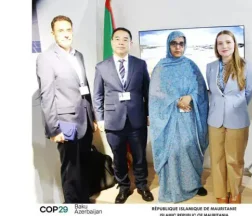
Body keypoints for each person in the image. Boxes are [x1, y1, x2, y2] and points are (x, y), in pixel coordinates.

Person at [36, 15, 97, 203]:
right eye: (60, 30)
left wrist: (92, 117)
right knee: (71, 171)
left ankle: (84, 204)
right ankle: (72, 208)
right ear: (53, 33)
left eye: (68, 30)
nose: (65, 34)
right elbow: (46, 96)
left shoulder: (78, 55)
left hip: (85, 121)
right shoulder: (46, 58)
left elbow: (84, 87)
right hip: (65, 125)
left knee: (84, 166)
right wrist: (53, 130)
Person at [93, 27, 153, 203]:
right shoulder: (102, 67)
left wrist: (148, 114)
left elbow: (146, 91)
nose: (121, 42)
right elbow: (97, 95)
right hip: (113, 121)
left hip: (137, 119)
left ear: (130, 43)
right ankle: (124, 187)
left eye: (125, 39)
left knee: (140, 156)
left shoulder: (140, 64)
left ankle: (142, 185)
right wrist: (100, 119)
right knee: (118, 157)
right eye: (117, 38)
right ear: (112, 42)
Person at [149, 31, 209, 203]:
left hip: (189, 118)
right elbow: (155, 94)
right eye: (174, 43)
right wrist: (174, 101)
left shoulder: (191, 65)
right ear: (168, 45)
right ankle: (173, 187)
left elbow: (201, 90)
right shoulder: (161, 67)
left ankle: (194, 184)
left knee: (191, 149)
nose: (178, 47)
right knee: (174, 152)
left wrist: (190, 97)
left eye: (181, 43)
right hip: (170, 120)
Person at [206, 30, 252, 204]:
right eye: (220, 43)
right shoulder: (210, 67)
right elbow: (212, 93)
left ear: (234, 44)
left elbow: (249, 92)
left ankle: (234, 193)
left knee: (234, 160)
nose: (224, 46)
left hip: (237, 119)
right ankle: (221, 194)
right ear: (216, 47)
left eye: (228, 42)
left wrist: (235, 107)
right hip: (215, 120)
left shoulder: (246, 65)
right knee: (217, 158)